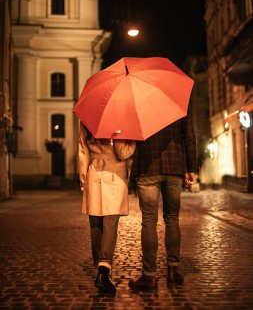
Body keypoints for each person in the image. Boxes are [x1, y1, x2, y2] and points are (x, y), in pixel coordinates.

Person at [128, 111, 197, 289]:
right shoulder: (177, 103)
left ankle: (149, 276)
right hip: (174, 165)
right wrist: (191, 168)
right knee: (172, 218)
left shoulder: (139, 104)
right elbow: (189, 137)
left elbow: (131, 137)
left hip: (147, 166)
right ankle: (173, 272)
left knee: (149, 220)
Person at [78, 123, 136, 294]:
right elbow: (122, 152)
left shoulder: (87, 119)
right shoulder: (118, 119)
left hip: (93, 171)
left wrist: (83, 178)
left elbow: (83, 150)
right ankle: (104, 269)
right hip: (114, 174)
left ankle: (99, 267)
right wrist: (133, 142)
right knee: (110, 222)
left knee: (95, 223)